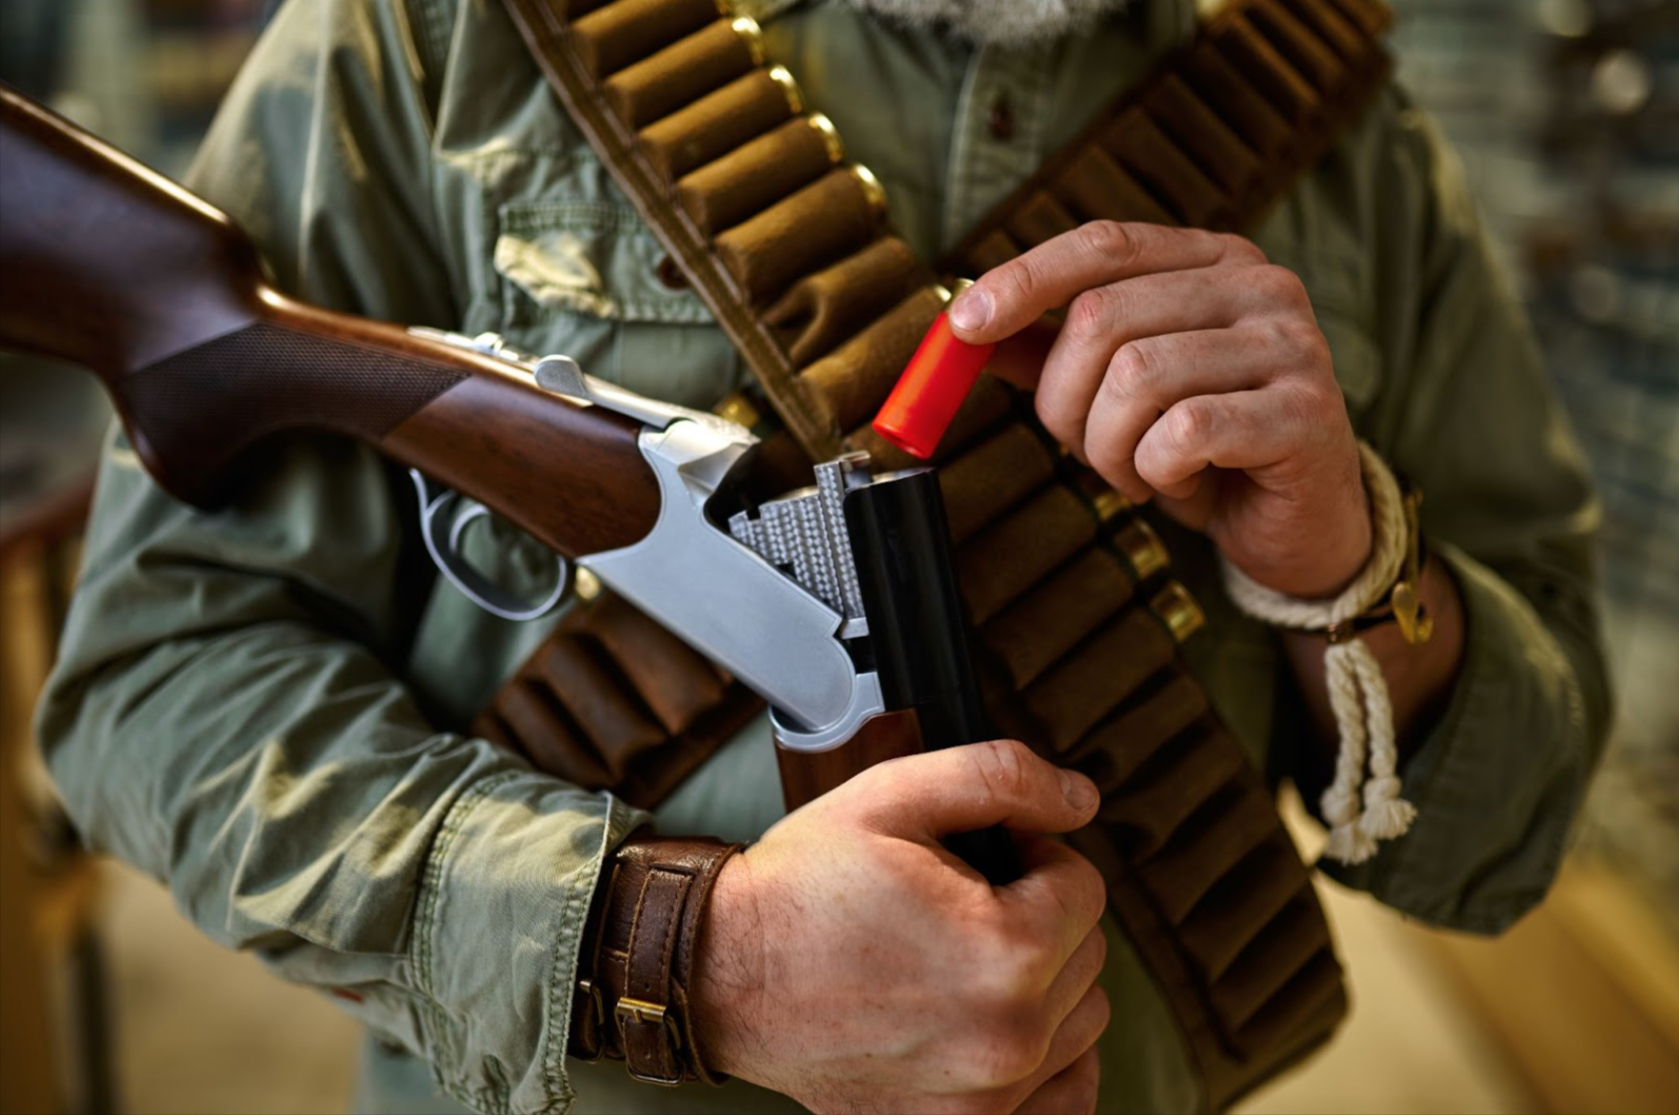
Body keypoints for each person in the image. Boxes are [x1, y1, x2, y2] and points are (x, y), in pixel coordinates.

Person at [36, 0, 1611, 1112]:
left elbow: (1511, 837)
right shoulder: (437, 39)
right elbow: (146, 687)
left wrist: (1346, 565)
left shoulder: (1331, 117)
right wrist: (687, 954)